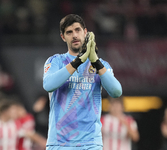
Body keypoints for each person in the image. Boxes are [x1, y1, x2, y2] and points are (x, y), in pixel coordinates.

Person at [43, 14, 122, 150]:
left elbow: (116, 91)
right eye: (69, 32)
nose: (74, 35)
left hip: (91, 143)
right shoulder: (55, 61)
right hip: (60, 143)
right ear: (63, 37)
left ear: (85, 32)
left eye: (78, 30)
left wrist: (95, 62)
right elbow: (48, 85)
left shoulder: (101, 64)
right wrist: (78, 61)